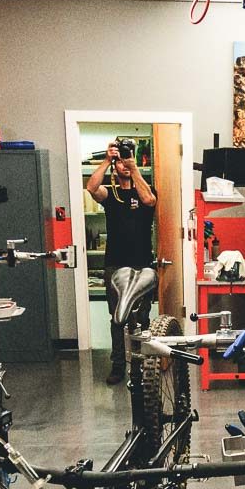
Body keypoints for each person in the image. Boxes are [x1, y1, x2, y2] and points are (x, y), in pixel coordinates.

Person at [85, 140, 158, 384]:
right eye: (122, 160)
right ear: (116, 165)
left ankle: (145, 362)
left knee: (143, 318)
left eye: (129, 157)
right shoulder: (110, 194)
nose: (125, 164)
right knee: (118, 318)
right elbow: (91, 187)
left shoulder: (146, 189)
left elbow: (149, 201)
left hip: (142, 265)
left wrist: (133, 167)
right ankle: (118, 366)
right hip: (115, 265)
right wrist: (107, 160)